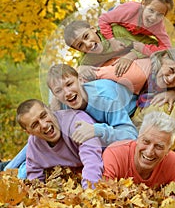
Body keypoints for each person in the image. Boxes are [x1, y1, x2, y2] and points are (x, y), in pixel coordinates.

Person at [3, 64, 139, 178]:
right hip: (97, 125)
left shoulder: (106, 100)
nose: (67, 93)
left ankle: (8, 168)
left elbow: (131, 135)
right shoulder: (65, 103)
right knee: (38, 135)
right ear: (55, 95)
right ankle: (7, 168)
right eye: (59, 91)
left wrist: (97, 130)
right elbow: (37, 143)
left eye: (69, 84)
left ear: (80, 80)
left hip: (128, 108)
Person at [16, 99, 103, 189]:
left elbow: (92, 161)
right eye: (35, 124)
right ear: (29, 132)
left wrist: (89, 194)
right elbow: (35, 181)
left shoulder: (76, 121)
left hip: (101, 159)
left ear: (49, 109)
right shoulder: (34, 144)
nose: (44, 125)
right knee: (24, 174)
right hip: (74, 170)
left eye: (43, 115)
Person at [102, 111, 175, 193]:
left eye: (159, 146)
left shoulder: (172, 162)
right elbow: (103, 193)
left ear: (168, 150)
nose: (149, 152)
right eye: (146, 142)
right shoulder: (115, 155)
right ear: (138, 138)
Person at [98, 0, 173, 76]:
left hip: (135, 33)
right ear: (144, 4)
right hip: (118, 17)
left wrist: (144, 50)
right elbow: (103, 20)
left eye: (160, 15)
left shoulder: (158, 24)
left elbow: (167, 47)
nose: (153, 17)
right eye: (151, 10)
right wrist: (112, 40)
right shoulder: (130, 10)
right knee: (106, 36)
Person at [63, 19, 152, 93]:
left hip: (147, 60)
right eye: (80, 45)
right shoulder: (88, 58)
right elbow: (79, 71)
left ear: (93, 29)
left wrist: (131, 56)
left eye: (86, 36)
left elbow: (152, 44)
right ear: (79, 50)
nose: (87, 44)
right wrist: (81, 68)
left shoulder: (116, 32)